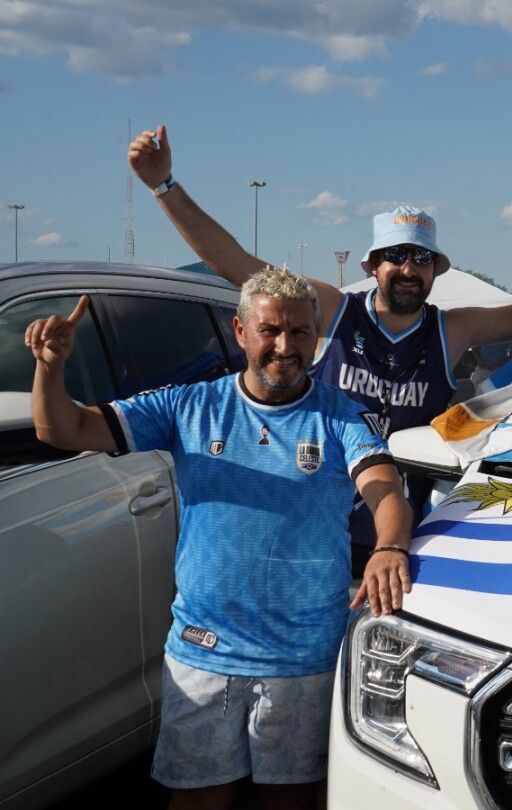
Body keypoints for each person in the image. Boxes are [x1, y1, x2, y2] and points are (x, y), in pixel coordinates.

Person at [128, 124, 512, 569]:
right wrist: (164, 187)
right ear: (372, 266)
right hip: (313, 523)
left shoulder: (452, 329)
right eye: (395, 256)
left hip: (399, 534)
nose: (408, 268)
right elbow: (233, 263)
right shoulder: (332, 309)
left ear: (435, 269)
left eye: (421, 258)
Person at [26, 267, 413, 810]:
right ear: (240, 331)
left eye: (300, 332)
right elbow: (62, 430)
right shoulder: (187, 406)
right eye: (270, 331)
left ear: (316, 336)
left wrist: (389, 546)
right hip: (204, 651)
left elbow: (384, 490)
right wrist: (52, 369)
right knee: (198, 800)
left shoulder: (342, 415)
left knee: (294, 799)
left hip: (304, 655)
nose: (285, 346)